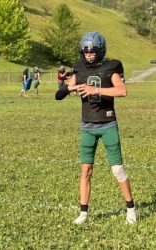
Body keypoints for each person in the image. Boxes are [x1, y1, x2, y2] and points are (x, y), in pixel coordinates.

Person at [55, 32, 137, 224]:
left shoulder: (111, 67)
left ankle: (131, 209)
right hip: (87, 126)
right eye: (86, 52)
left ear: (100, 51)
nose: (89, 55)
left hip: (108, 124)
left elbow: (122, 90)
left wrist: (96, 90)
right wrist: (70, 88)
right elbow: (59, 95)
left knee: (117, 169)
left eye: (92, 51)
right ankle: (83, 213)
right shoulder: (79, 68)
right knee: (85, 170)